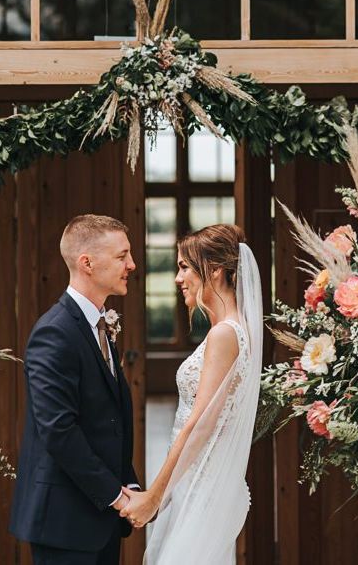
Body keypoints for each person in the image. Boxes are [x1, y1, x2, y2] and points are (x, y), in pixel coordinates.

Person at [118, 224, 263, 565]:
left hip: (203, 486)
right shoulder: (230, 329)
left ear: (215, 270)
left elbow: (200, 424)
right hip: (197, 483)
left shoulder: (225, 334)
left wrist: (155, 495)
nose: (177, 278)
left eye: (184, 266)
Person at [9, 214, 141, 565]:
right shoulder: (55, 332)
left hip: (100, 519)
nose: (131, 264)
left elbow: (108, 422)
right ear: (87, 263)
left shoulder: (97, 324)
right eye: (121, 256)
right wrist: (117, 496)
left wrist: (132, 487)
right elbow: (59, 430)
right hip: (65, 523)